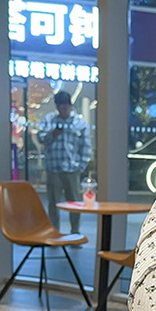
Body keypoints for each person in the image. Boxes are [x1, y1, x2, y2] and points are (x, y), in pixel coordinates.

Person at [37, 90, 92, 234]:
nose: (63, 110)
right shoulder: (49, 120)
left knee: (75, 203)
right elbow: (40, 138)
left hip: (72, 170)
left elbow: (86, 147)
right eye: (60, 107)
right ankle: (54, 232)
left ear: (70, 106)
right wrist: (52, 134)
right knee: (53, 203)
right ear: (56, 106)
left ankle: (75, 232)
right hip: (53, 169)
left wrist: (80, 167)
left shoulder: (79, 123)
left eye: (65, 106)